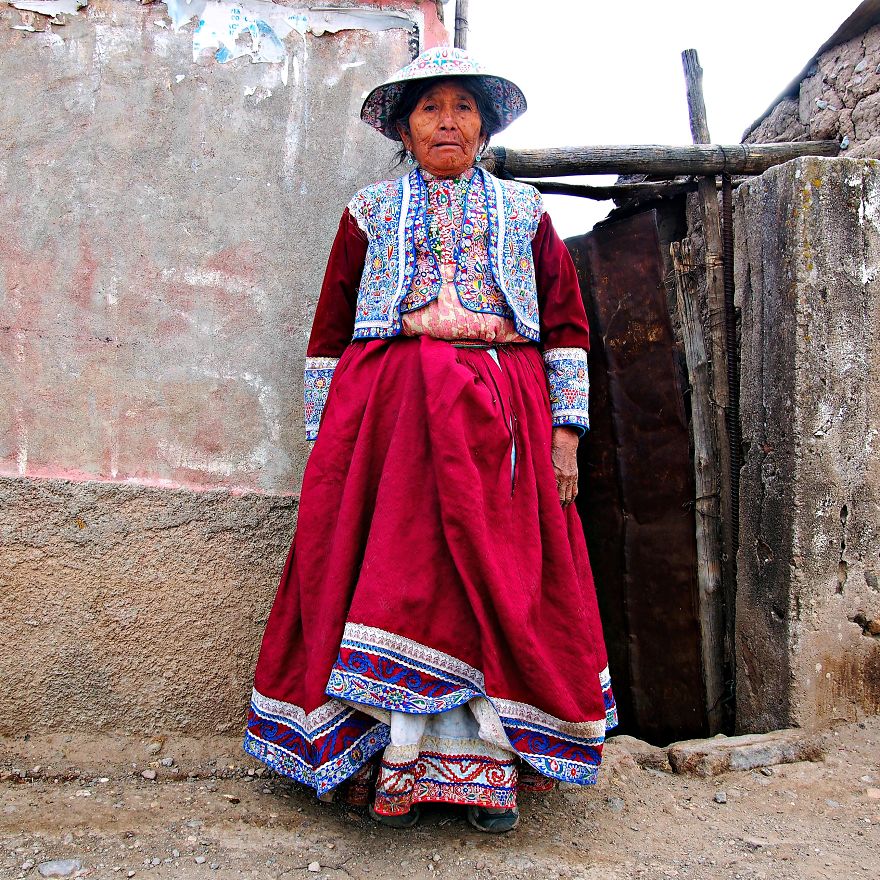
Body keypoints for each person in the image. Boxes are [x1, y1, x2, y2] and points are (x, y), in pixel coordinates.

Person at [244, 46, 616, 834]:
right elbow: (328, 335)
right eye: (429, 109)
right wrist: (330, 449)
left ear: (483, 126)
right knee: (399, 578)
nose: (448, 121)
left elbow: (568, 330)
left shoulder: (527, 214)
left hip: (500, 422)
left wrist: (566, 437)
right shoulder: (369, 213)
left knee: (496, 581)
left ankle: (490, 779)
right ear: (405, 130)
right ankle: (390, 771)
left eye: (464, 108)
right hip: (392, 426)